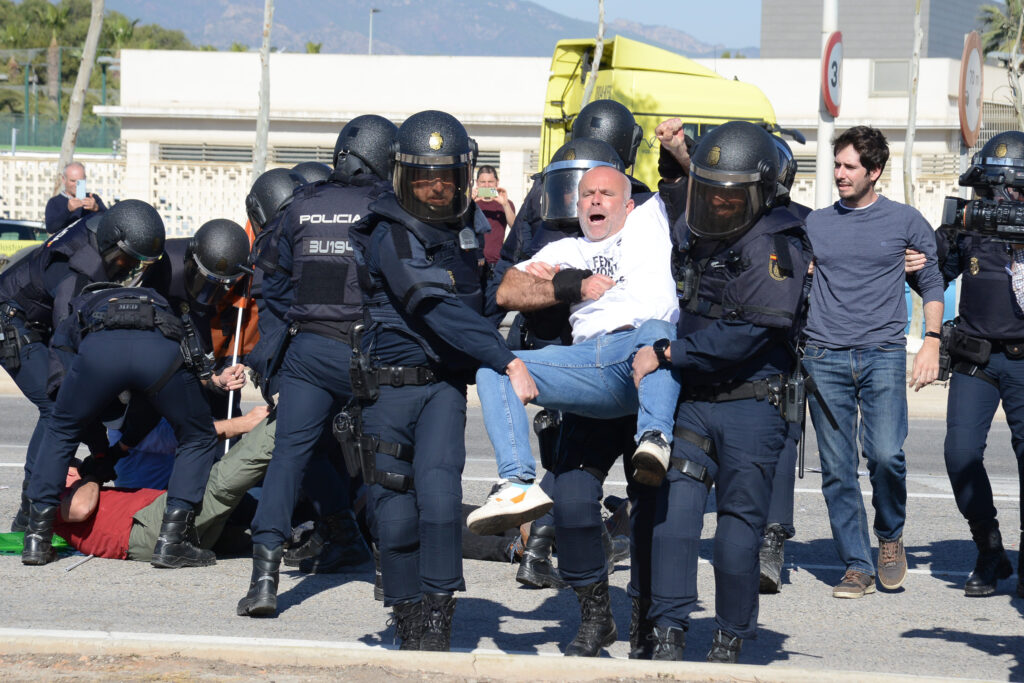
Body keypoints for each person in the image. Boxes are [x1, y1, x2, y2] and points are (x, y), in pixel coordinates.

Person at [631, 120, 813, 663]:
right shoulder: (704, 229)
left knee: (737, 530)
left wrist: (668, 354)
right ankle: (666, 633)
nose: (718, 204)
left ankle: (729, 640)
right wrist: (676, 154)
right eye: (711, 192)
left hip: (752, 404)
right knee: (674, 520)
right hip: (697, 400)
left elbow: (752, 331)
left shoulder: (777, 242)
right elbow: (672, 205)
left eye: (731, 197)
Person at [350, 109, 518, 651]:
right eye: (424, 176)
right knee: (395, 515)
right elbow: (437, 307)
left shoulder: (473, 228)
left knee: (443, 504)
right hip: (388, 390)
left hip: (443, 388)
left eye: (446, 176)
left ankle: (439, 621)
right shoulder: (389, 234)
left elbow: (486, 300)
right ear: (403, 176)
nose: (436, 187)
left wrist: (555, 286)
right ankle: (407, 619)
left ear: (464, 174)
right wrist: (502, 355)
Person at [235, 115, 397, 619]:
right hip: (369, 352)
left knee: (289, 458)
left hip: (309, 351)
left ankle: (264, 581)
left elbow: (272, 285)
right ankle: (388, 575)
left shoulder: (303, 204)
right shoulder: (388, 208)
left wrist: (283, 347)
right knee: (385, 456)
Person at [468, 164, 680, 537]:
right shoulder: (565, 249)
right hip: (588, 363)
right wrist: (570, 286)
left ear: (629, 206)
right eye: (587, 194)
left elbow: (690, 185)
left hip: (643, 354)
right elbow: (506, 291)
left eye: (607, 193)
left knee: (658, 329)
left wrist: (676, 149)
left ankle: (655, 439)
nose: (595, 199)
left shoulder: (652, 218)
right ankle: (517, 484)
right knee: (495, 367)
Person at [802, 126, 945, 599]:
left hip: (882, 354)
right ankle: (856, 564)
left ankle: (889, 536)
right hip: (823, 355)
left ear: (874, 171)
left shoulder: (905, 221)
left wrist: (931, 342)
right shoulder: (815, 225)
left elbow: (932, 283)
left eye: (849, 167)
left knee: (886, 455)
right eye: (837, 165)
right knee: (838, 467)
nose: (839, 174)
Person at [21, 285, 221, 568]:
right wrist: (113, 451)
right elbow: (187, 366)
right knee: (198, 436)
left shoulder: (76, 312)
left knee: (60, 429)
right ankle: (172, 541)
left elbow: (64, 397)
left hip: (100, 353)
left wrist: (102, 451)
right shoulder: (163, 300)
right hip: (158, 349)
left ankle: (36, 539)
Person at [906, 130, 1024, 599]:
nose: (999, 198)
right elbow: (933, 272)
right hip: (977, 358)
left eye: (1009, 189)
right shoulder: (969, 224)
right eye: (991, 188)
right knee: (959, 454)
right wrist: (917, 265)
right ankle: (989, 547)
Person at [0, 199, 165, 532]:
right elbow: (70, 353)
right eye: (125, 260)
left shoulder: (104, 228)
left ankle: (34, 505)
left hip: (38, 322)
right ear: (109, 244)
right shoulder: (78, 271)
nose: (129, 269)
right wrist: (99, 443)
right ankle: (31, 510)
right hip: (12, 322)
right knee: (57, 406)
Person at [55, 406, 272, 561]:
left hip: (166, 526)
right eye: (74, 467)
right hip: (147, 528)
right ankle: (284, 419)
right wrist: (91, 475)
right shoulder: (54, 497)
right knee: (223, 480)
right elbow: (80, 509)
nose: (78, 470)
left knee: (243, 519)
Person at [44, 162, 107, 234]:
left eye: (80, 181)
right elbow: (51, 228)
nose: (77, 184)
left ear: (85, 179)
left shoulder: (92, 198)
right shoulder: (54, 202)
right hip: (66, 244)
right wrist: (68, 210)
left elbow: (110, 222)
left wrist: (96, 208)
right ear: (64, 179)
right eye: (72, 181)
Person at [472, 165, 516, 267]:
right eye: (483, 182)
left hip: (497, 263)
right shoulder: (470, 204)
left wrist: (505, 204)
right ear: (477, 183)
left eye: (490, 182)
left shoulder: (506, 204)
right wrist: (471, 204)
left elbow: (515, 227)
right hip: (474, 261)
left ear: (497, 182)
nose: (486, 186)